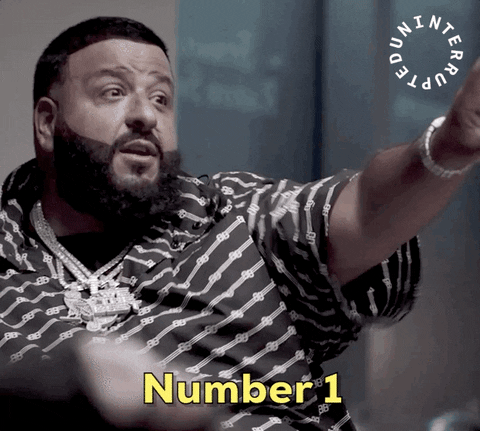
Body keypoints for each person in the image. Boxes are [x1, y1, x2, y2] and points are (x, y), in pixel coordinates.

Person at [0, 15, 479, 431]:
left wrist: (449, 146)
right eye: (114, 92)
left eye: (162, 98)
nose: (146, 115)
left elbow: (362, 209)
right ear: (47, 123)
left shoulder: (231, 215)